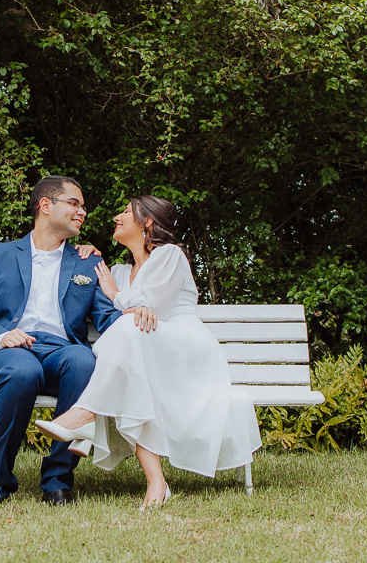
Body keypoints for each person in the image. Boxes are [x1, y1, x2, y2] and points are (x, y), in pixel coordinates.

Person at [36, 195, 262, 510]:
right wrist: (84, 254)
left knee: (131, 329)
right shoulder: (113, 270)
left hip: (185, 351)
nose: (117, 216)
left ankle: (86, 413)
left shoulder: (170, 255)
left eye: (126, 211)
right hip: (147, 353)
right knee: (135, 381)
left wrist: (115, 295)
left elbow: (149, 311)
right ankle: (157, 483)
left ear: (148, 222)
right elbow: (117, 313)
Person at [0, 176, 157, 508]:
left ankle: (58, 480)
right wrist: (2, 337)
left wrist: (136, 312)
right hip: (10, 354)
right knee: (21, 370)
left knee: (83, 360)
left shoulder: (86, 261)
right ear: (46, 206)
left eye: (83, 206)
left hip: (61, 353)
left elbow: (106, 317)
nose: (82, 212)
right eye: (74, 203)